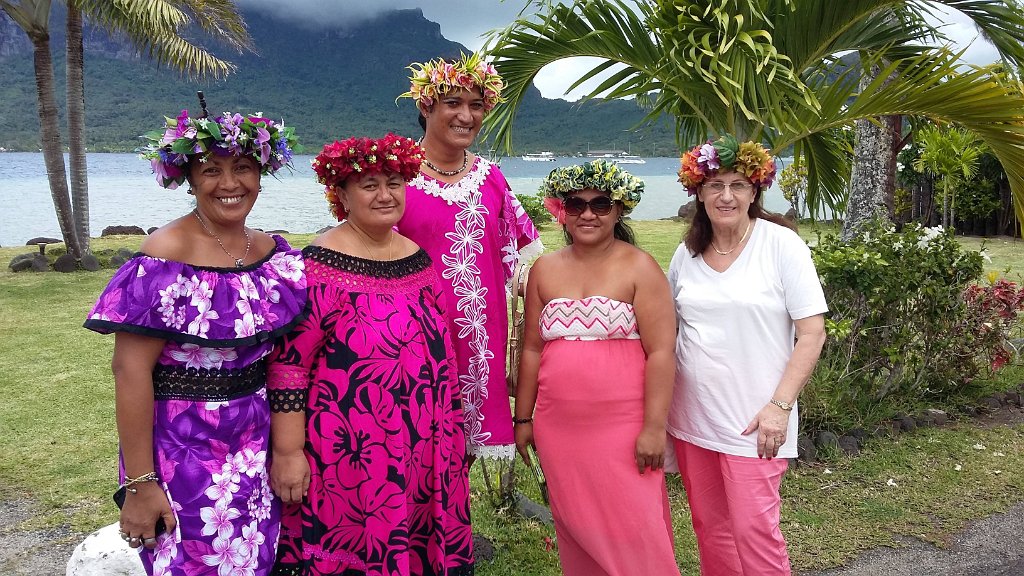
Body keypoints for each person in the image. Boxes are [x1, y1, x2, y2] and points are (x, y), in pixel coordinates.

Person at [83, 104, 306, 576]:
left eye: (242, 167)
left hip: (255, 445)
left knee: (256, 560)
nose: (229, 183)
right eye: (211, 171)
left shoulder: (269, 252)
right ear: (188, 178)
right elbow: (130, 371)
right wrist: (141, 484)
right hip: (183, 451)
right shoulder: (166, 254)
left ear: (261, 174)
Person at [267, 134, 474, 576]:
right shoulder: (317, 267)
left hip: (424, 445)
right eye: (369, 185)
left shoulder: (419, 260)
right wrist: (288, 452)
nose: (385, 195)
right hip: (350, 452)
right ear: (341, 195)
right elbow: (288, 368)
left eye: (394, 183)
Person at [668, 135, 828, 575]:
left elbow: (812, 334)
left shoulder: (781, 245)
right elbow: (670, 330)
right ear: (699, 192)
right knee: (710, 529)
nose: (726, 196)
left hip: (756, 424)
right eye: (715, 185)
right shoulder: (687, 254)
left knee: (754, 531)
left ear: (755, 191)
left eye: (738, 185)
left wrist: (780, 407)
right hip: (693, 418)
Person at [513, 160, 681, 576]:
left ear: (619, 210)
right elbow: (531, 349)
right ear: (562, 211)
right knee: (576, 526)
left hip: (624, 428)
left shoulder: (640, 267)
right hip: (559, 428)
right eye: (576, 204)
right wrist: (523, 418)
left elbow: (662, 352)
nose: (588, 214)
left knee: (635, 529)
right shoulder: (544, 270)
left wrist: (654, 428)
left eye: (601, 204)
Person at [397, 53, 543, 461]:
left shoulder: (491, 178)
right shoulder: (397, 177)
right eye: (453, 103)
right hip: (416, 341)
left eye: (476, 105)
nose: (466, 116)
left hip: (481, 346)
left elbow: (516, 263)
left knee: (463, 457)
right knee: (414, 449)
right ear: (426, 105)